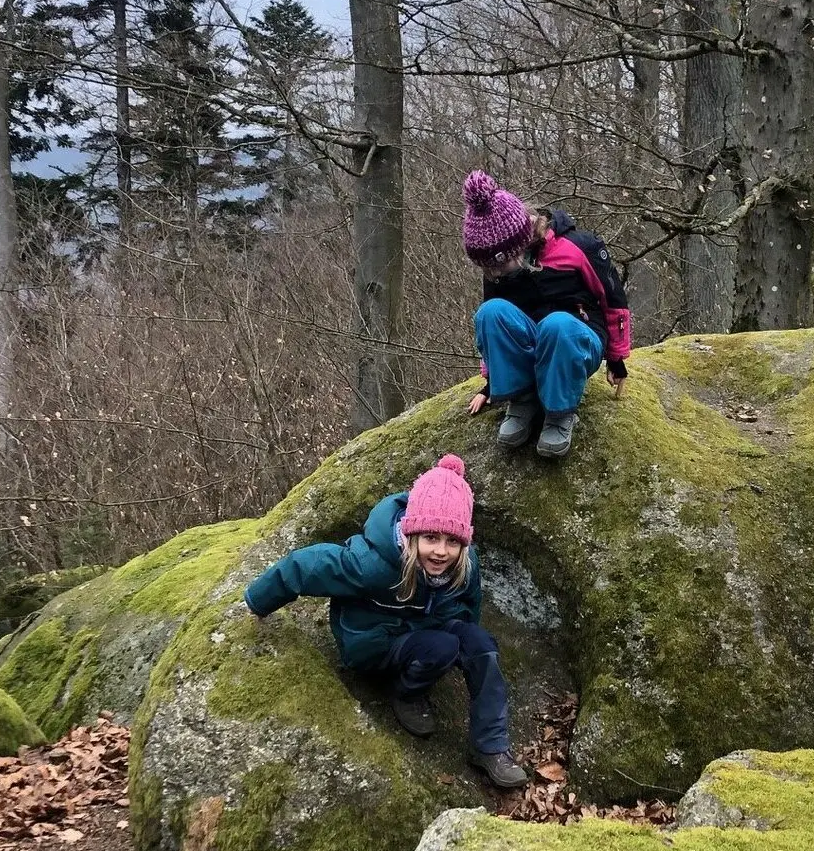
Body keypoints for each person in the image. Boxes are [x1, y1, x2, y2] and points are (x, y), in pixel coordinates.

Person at [242, 454, 528, 789]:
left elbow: (470, 604)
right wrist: (258, 600)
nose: (441, 551)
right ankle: (405, 694)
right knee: (441, 646)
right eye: (431, 538)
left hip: (427, 630)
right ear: (412, 535)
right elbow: (305, 566)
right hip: (377, 642)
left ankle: (490, 747)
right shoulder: (373, 564)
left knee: (480, 646)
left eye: (452, 541)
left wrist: (469, 643)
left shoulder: (465, 566)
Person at [461, 170, 631, 458]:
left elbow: (613, 300)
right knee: (489, 312)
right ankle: (522, 398)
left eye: (500, 267)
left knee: (557, 325)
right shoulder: (497, 265)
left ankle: (559, 412)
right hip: (534, 344)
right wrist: (490, 386)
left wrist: (617, 359)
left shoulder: (579, 247)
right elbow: (495, 329)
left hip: (577, 337)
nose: (496, 275)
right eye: (490, 270)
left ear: (519, 241)